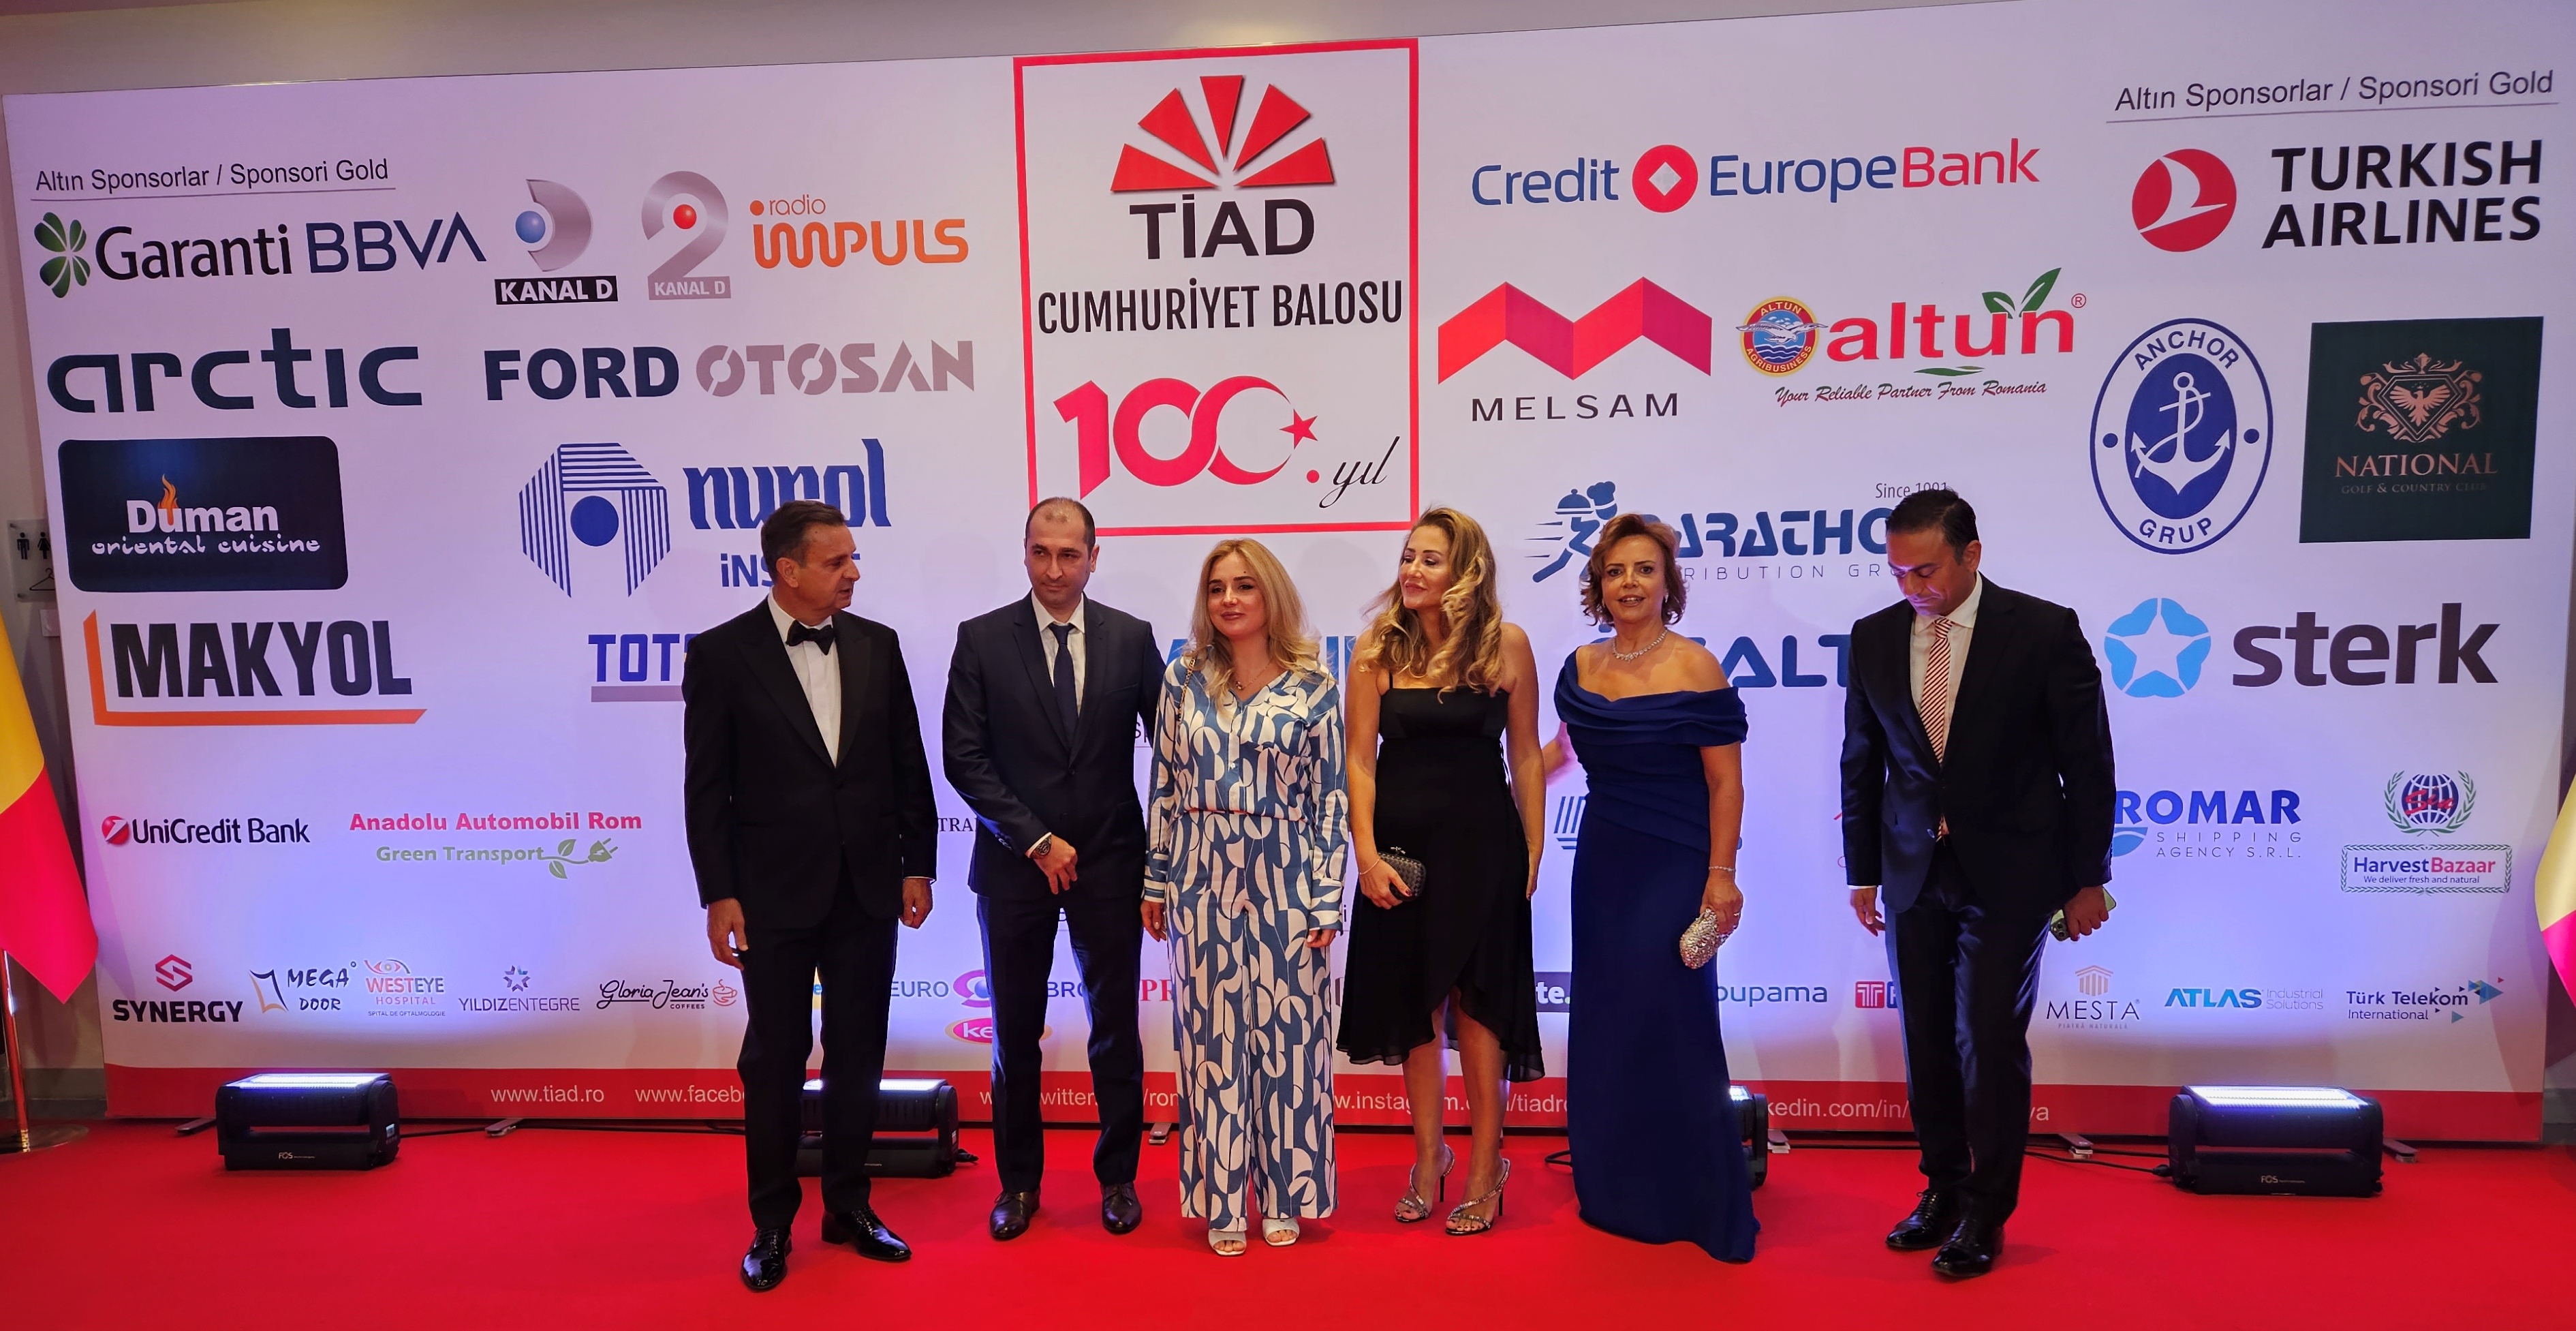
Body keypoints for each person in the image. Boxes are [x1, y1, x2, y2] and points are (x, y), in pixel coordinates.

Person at [1840, 488, 2114, 1279]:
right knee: (1924, 1039)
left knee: (1986, 1039)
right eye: (1898, 572)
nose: (1912, 587)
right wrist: (1863, 870)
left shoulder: (2043, 630)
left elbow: (2087, 764)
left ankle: (1987, 1213)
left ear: (1971, 555)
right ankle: (1943, 1190)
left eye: (1926, 570)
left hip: (2012, 872)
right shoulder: (1872, 637)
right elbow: (1861, 761)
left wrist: (2087, 878)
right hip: (1910, 870)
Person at [684, 499, 938, 1293]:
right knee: (774, 1060)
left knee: (858, 1054)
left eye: (854, 559)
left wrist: (917, 865)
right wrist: (719, 893)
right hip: (771, 895)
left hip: (867, 886)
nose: (853, 573)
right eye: (837, 562)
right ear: (788, 570)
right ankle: (771, 1221)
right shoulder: (722, 653)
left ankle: (849, 1206)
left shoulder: (877, 644)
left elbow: (908, 764)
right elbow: (706, 788)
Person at [942, 498, 1163, 1242]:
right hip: (1014, 868)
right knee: (1013, 1034)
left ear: (1094, 557)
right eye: (1041, 552)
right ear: (1025, 551)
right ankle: (1018, 1184)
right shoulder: (980, 639)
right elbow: (963, 758)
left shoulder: (1131, 638)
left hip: (1111, 863)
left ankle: (1119, 1178)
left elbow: (1176, 747)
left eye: (1070, 554)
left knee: (1116, 1031)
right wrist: (1036, 839)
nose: (1055, 569)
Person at [1548, 512, 1757, 1263]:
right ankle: (1616, 1186)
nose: (1629, 583)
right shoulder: (1579, 666)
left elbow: (1725, 783)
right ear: (1597, 586)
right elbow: (1561, 754)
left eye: (1643, 569)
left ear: (1668, 582)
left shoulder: (1697, 667)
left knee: (1670, 1018)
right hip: (1603, 861)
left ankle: (1691, 1194)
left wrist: (1720, 877)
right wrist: (1496, 785)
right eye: (1615, 571)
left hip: (1675, 863)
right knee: (1608, 1018)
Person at [1336, 507, 1546, 1235]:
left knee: (1481, 1009)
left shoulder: (1506, 645)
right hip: (1400, 854)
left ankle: (1486, 1166)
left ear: (1466, 571)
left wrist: (1534, 846)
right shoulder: (1376, 647)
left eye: (1430, 559)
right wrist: (1365, 855)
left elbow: (1526, 754)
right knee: (1415, 1009)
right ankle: (1429, 1159)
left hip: (1484, 848)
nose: (1412, 570)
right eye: (1408, 556)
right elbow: (1358, 760)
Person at [1140, 538, 1348, 1256]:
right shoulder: (1183, 677)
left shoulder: (1314, 685)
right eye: (1217, 587)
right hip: (1200, 876)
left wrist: (1326, 898)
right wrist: (1155, 879)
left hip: (1287, 878)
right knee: (1211, 1047)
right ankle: (1223, 1200)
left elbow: (1329, 800)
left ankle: (1287, 1195)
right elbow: (1165, 785)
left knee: (1291, 1046)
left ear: (1270, 595)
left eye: (1244, 586)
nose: (1229, 599)